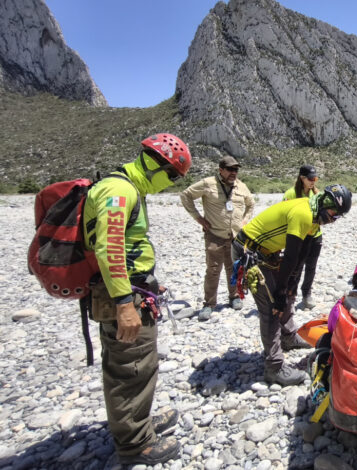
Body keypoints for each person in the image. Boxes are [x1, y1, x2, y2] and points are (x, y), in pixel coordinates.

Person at [82, 133, 191, 465]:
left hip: (131, 288)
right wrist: (124, 303)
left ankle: (138, 423)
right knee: (130, 365)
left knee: (139, 364)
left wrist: (147, 284)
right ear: (153, 163)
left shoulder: (131, 190)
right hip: (121, 296)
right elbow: (110, 247)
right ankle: (134, 444)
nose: (171, 183)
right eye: (171, 175)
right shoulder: (121, 190)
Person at [233, 184, 353, 386]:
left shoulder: (315, 217)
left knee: (288, 293)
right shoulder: (304, 213)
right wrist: (279, 292)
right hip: (249, 251)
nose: (334, 220)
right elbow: (289, 256)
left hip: (267, 252)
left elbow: (301, 255)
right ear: (326, 204)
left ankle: (287, 336)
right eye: (335, 215)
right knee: (272, 308)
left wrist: (290, 285)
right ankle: (274, 367)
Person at [180, 155, 254, 321]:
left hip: (235, 236)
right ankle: (209, 304)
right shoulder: (208, 183)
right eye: (230, 169)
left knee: (233, 268)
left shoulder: (241, 186)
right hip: (215, 235)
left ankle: (234, 297)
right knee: (213, 270)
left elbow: (251, 204)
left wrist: (245, 220)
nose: (233, 172)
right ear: (221, 170)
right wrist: (198, 218)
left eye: (236, 169)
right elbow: (186, 195)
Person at [283, 165, 322, 310]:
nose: (313, 181)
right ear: (302, 178)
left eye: (315, 178)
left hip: (315, 235)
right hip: (298, 237)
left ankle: (306, 295)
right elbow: (284, 215)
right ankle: (290, 295)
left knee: (311, 267)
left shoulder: (318, 194)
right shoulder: (291, 194)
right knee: (296, 267)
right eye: (310, 178)